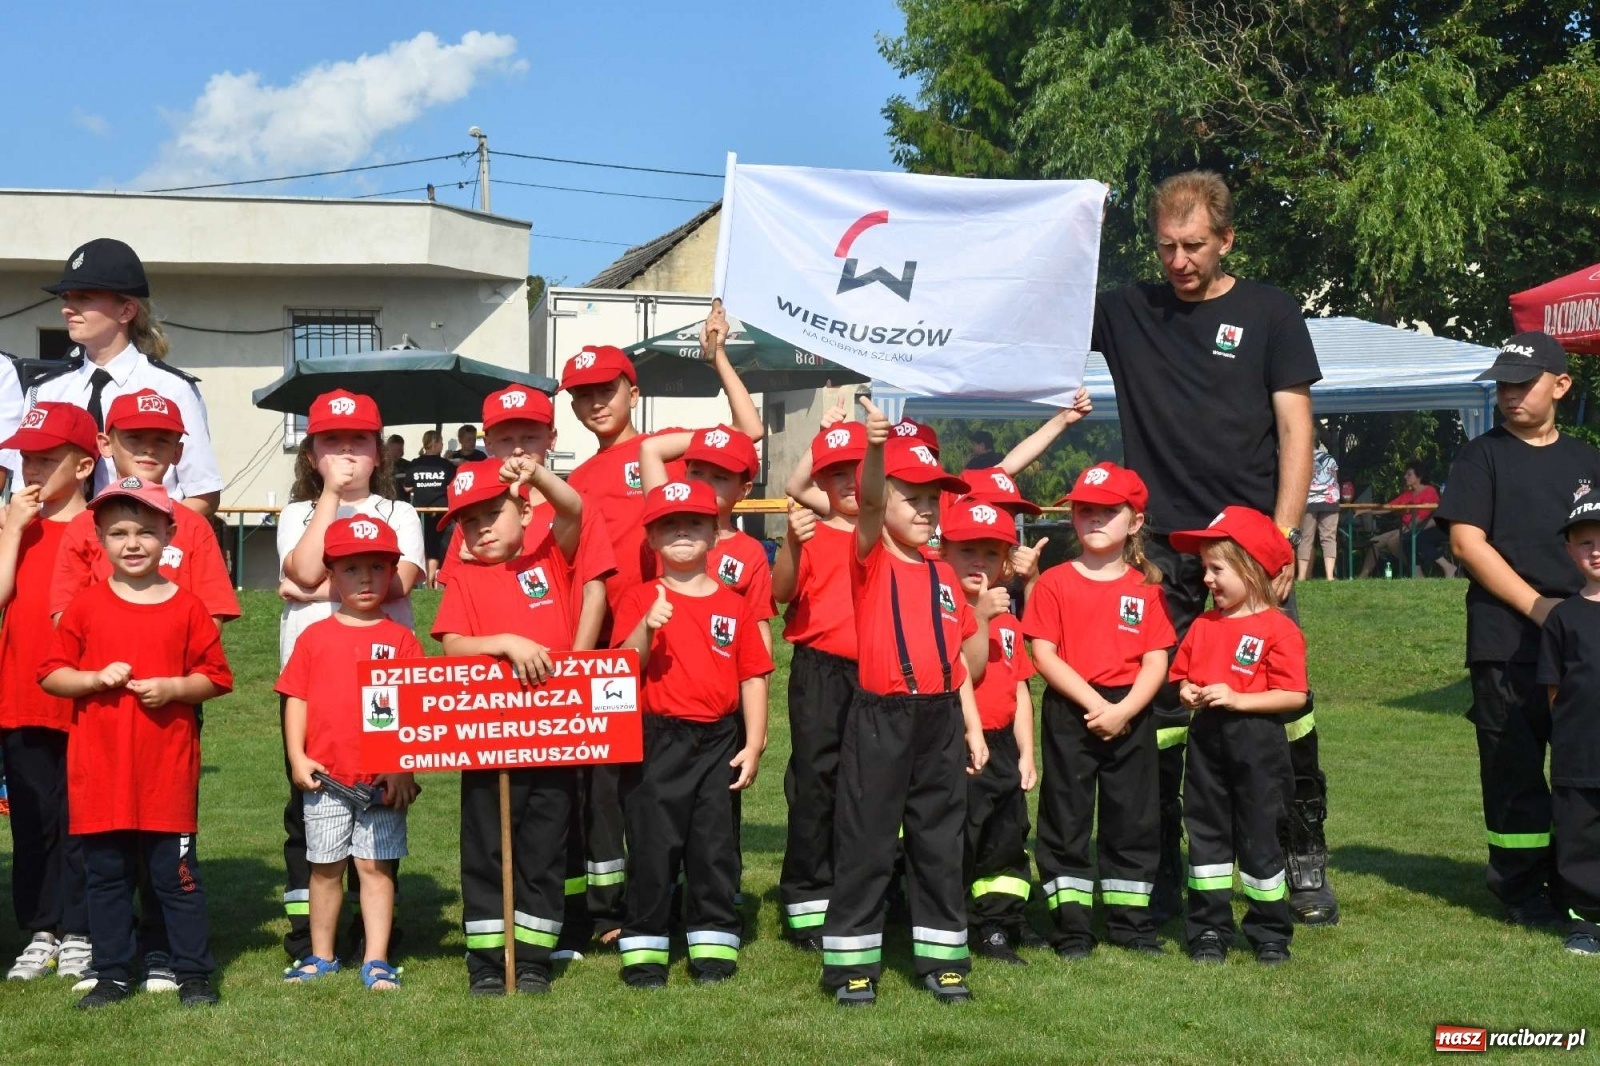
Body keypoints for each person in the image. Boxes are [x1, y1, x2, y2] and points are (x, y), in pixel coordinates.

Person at [1091, 170, 1333, 925]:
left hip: (1249, 546)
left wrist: (1284, 539)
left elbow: (1298, 429)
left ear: (1227, 239)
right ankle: (1164, 861)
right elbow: (1033, 313)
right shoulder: (1127, 311)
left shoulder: (1271, 312)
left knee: (1277, 710)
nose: (1178, 261)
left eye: (1193, 245)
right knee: (1157, 713)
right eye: (1165, 246)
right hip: (1159, 551)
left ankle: (1300, 854)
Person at [560, 300, 763, 949]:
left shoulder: (665, 456)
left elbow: (746, 430)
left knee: (689, 787)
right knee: (612, 790)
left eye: (607, 390)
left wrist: (718, 359)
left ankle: (698, 900)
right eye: (583, 395)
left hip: (677, 634)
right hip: (613, 640)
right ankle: (615, 910)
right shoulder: (577, 479)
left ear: (632, 390)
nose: (595, 404)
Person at [39, 478, 233, 1008]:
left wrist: (175, 688)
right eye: (119, 532)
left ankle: (192, 972)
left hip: (166, 775)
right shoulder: (85, 607)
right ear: (99, 539)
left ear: (169, 536)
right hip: (100, 774)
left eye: (146, 532)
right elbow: (52, 674)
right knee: (106, 879)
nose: (132, 543)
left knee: (177, 878)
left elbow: (216, 677)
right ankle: (113, 973)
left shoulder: (188, 607)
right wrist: (94, 678)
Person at [820, 398, 988, 1007]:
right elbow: (865, 503)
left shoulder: (944, 574)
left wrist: (971, 727)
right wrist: (873, 448)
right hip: (881, 718)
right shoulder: (869, 557)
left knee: (939, 841)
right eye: (909, 496)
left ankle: (943, 961)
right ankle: (852, 967)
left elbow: (957, 663)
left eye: (931, 498)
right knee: (866, 839)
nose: (923, 508)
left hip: (939, 717)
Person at [1436, 331, 1600, 926]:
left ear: (1560, 386)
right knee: (1513, 765)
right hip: (1508, 637)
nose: (1509, 395)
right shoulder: (1480, 456)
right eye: (1502, 384)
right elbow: (1466, 542)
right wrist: (1541, 610)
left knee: (1586, 765)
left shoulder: (1588, 461)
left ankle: (1580, 880)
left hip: (1585, 638)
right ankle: (1521, 890)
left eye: (1522, 384)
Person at [275, 389, 424, 961]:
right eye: (331, 443)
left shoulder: (399, 512)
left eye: (358, 441)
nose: (345, 453)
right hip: (313, 686)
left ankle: (376, 941)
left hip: (384, 686)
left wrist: (306, 589)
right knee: (309, 815)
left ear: (378, 451)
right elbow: (307, 566)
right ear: (312, 454)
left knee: (382, 807)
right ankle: (313, 940)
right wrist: (332, 498)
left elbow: (399, 584)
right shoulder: (298, 513)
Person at [431, 454, 587, 996]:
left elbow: (573, 508)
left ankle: (534, 959)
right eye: (467, 522)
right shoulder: (465, 580)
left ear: (524, 511)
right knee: (487, 852)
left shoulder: (550, 555)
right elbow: (452, 646)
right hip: (487, 746)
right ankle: (488, 963)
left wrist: (538, 476)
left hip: (553, 738)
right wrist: (504, 642)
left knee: (544, 851)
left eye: (491, 514)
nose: (480, 529)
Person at [612, 480, 772, 988]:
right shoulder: (639, 597)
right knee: (653, 845)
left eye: (695, 523)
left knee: (713, 847)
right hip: (656, 739)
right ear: (652, 539)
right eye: (668, 525)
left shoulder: (735, 604)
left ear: (714, 535)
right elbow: (623, 666)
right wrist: (646, 627)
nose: (682, 532)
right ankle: (644, 949)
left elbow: (753, 675)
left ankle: (714, 947)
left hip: (718, 740)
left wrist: (754, 741)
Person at [1023, 463, 1175, 959]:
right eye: (1085, 510)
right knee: (1065, 820)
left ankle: (1131, 926)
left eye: (1108, 511)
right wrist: (1096, 705)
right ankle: (1071, 929)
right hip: (1073, 710)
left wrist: (1125, 708)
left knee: (1133, 820)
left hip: (1130, 711)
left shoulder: (1147, 588)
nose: (1094, 519)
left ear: (1134, 522)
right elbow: (1043, 655)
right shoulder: (1053, 584)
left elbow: (1157, 659)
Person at [1167, 506, 1308, 965]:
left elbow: (1293, 695)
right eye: (1204, 568)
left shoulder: (1279, 629)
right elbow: (1182, 674)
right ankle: (1208, 930)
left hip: (1258, 747)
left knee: (1261, 838)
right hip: (1208, 745)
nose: (1207, 579)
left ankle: (1269, 932)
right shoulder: (1204, 625)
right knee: (1206, 838)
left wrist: (1240, 699)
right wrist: (1187, 691)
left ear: (1250, 567)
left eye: (1217, 568)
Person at [0, 404, 98, 984]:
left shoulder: (103, 528)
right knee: (32, 822)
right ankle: (41, 930)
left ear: (84, 465)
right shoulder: (15, 527)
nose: (32, 469)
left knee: (83, 822)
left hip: (86, 700)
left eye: (46, 457)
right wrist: (11, 530)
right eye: (25, 457)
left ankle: (83, 929)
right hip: (20, 698)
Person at [30, 238, 223, 516]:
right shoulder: (47, 390)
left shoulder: (172, 388)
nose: (67, 308)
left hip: (144, 550)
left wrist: (150, 540)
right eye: (67, 297)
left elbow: (202, 494)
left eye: (83, 297)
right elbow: (28, 491)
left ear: (126, 310)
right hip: (63, 551)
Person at [771, 419, 865, 947]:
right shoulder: (812, 529)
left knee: (867, 787)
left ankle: (859, 893)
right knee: (815, 784)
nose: (849, 482)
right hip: (820, 670)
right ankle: (807, 902)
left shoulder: (887, 532)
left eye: (858, 471)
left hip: (875, 673)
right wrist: (791, 541)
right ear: (822, 481)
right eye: (836, 473)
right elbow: (781, 593)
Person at [940, 496, 1039, 965]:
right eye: (967, 551)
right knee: (958, 839)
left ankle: (998, 923)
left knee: (1005, 839)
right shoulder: (941, 611)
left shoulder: (1011, 623)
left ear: (1005, 565)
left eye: (991, 553)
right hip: (957, 744)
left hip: (1000, 745)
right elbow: (969, 674)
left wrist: (1026, 753)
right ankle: (950, 921)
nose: (979, 562)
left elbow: (1020, 690)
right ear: (944, 553)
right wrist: (977, 614)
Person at [1536, 499, 1600, 956]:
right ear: (1570, 551)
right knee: (1581, 840)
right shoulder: (1563, 617)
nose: (1596, 552)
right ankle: (1586, 922)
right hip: (1580, 753)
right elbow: (1553, 691)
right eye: (1586, 544)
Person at [1358, 462, 1441, 577]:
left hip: (1419, 529)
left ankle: (1416, 570)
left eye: (1409, 474)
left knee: (1394, 541)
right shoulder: (1407, 494)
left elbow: (1422, 516)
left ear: (1419, 476)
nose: (1405, 477)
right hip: (1404, 528)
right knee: (1375, 542)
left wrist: (1406, 530)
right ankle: (1362, 577)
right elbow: (1389, 507)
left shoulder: (1430, 491)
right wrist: (1368, 510)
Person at [407, 430, 456, 588]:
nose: (442, 445)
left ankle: (424, 581)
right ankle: (430, 582)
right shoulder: (446, 465)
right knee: (436, 546)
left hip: (420, 511)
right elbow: (452, 485)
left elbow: (407, 487)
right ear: (435, 443)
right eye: (441, 442)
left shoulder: (415, 464)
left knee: (422, 546)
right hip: (442, 510)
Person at [1298, 435, 1340, 581]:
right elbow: (1334, 479)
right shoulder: (1330, 458)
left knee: (1306, 538)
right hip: (1330, 499)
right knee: (1328, 538)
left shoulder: (1302, 457)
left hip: (1310, 500)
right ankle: (1329, 576)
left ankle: (1302, 576)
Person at [386, 435, 412, 502]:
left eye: (398, 450)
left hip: (403, 503)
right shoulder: (380, 465)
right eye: (393, 450)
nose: (395, 453)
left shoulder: (408, 465)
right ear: (387, 449)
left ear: (402, 451)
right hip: (384, 502)